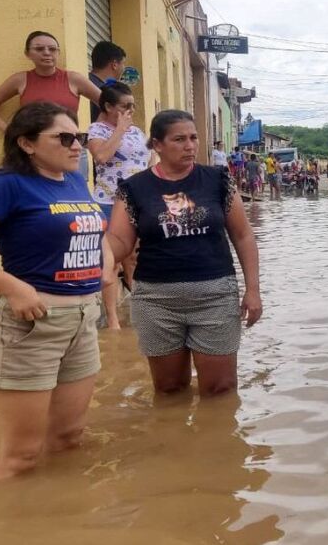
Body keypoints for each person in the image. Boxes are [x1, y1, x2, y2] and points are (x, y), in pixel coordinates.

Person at [0, 102, 114, 479]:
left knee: (69, 438)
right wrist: (12, 288)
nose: (77, 146)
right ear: (27, 143)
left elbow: (92, 225)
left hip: (83, 320)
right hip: (32, 325)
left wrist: (105, 260)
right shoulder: (5, 184)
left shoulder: (73, 179)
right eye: (65, 138)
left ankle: (61, 522)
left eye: (80, 137)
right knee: (22, 456)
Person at [106, 109, 262, 396]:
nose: (190, 146)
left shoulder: (218, 180)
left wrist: (253, 290)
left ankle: (217, 440)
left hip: (215, 296)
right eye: (179, 139)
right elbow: (119, 240)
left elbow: (243, 235)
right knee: (169, 389)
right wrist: (99, 255)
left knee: (221, 389)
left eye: (193, 138)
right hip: (156, 300)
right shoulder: (134, 188)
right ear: (157, 145)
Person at [0, 31, 101, 179]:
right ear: (27, 53)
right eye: (39, 49)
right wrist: (9, 130)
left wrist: (97, 134)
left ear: (58, 52)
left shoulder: (74, 79)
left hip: (70, 147)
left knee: (74, 196)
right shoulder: (20, 80)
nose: (47, 53)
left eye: (52, 49)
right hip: (34, 151)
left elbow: (108, 105)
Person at [86, 81, 149, 329]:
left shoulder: (136, 131)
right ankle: (112, 320)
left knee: (134, 258)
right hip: (108, 202)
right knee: (109, 261)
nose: (130, 111)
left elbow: (147, 160)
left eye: (133, 106)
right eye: (125, 106)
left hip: (137, 203)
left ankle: (140, 309)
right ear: (108, 106)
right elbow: (101, 156)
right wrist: (120, 130)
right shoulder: (97, 130)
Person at [88, 41, 127, 122]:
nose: (124, 68)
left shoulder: (84, 82)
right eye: (123, 63)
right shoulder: (107, 92)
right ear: (115, 64)